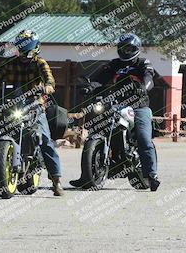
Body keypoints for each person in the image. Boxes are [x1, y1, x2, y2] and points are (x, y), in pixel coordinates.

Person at [0, 29, 64, 196]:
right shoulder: (10, 63)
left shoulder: (40, 63)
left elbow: (49, 79)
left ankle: (56, 181)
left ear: (35, 47)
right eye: (21, 47)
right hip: (9, 106)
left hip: (34, 105)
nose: (23, 52)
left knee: (44, 139)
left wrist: (48, 86)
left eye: (26, 47)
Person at [69, 33, 160, 191]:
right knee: (96, 130)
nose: (125, 51)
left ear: (136, 48)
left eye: (129, 48)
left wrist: (143, 88)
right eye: (123, 48)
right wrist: (89, 87)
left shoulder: (143, 62)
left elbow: (149, 78)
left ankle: (152, 175)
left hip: (140, 106)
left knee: (144, 139)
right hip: (117, 105)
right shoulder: (113, 64)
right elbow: (100, 78)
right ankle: (87, 177)